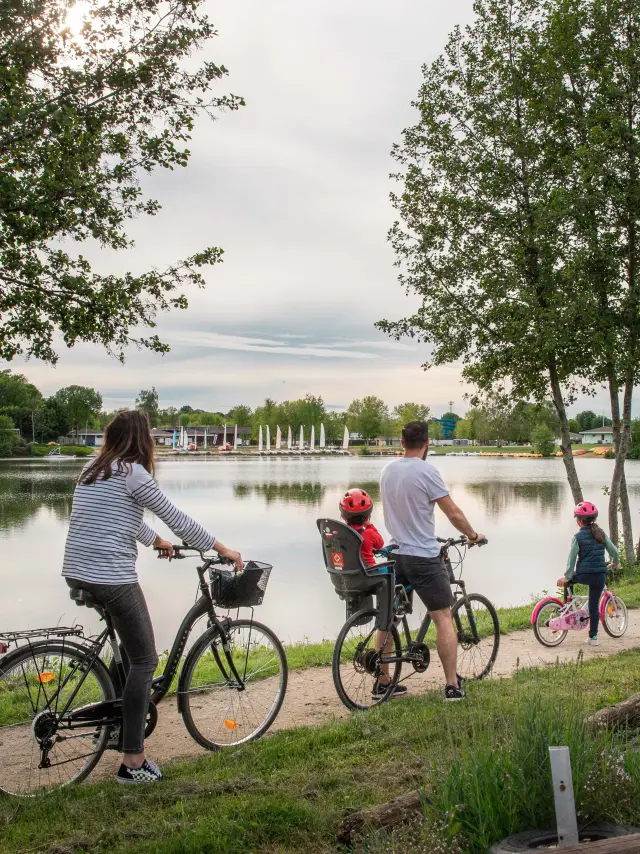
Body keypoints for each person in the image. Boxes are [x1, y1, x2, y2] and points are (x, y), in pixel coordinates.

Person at [62, 410, 243, 784]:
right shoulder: (133, 472)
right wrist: (222, 548)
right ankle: (133, 761)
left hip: (77, 571)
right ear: (142, 441)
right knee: (146, 660)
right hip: (111, 577)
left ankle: (112, 726)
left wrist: (155, 541)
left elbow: (121, 518)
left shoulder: (94, 469)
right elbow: (177, 518)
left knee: (128, 654)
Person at [380, 421, 485, 701]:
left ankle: (383, 681)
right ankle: (452, 685)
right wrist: (473, 534)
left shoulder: (387, 471)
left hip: (394, 554)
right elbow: (453, 513)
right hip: (422, 557)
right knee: (443, 618)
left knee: (388, 617)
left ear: (401, 443)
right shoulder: (428, 471)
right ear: (427, 444)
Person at [339, 487, 408, 699]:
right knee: (391, 572)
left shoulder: (340, 534)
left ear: (343, 516)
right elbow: (379, 544)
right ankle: (393, 609)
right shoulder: (368, 532)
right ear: (368, 515)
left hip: (349, 577)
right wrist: (370, 525)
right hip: (370, 576)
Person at [556, 501, 620, 646]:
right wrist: (615, 561)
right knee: (594, 606)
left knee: (570, 581)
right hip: (599, 576)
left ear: (579, 522)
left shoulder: (577, 537)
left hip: (583, 575)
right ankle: (593, 638)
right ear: (594, 519)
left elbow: (571, 559)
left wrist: (567, 576)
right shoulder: (601, 534)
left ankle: (567, 607)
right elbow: (614, 552)